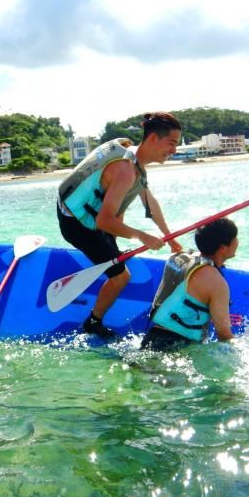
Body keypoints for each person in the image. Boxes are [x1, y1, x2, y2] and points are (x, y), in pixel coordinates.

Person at [57, 112, 184, 338]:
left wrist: (170, 236)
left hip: (83, 215)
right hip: (74, 223)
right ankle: (93, 322)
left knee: (118, 224)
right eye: (171, 143)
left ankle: (110, 254)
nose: (174, 150)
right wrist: (143, 237)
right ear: (153, 138)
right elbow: (103, 221)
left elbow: (150, 203)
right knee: (121, 277)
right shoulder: (126, 169)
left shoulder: (136, 160)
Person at [141, 217, 239, 351]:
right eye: (235, 238)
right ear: (223, 248)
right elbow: (224, 335)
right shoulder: (216, 282)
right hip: (178, 349)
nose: (238, 241)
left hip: (150, 339)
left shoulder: (180, 257)